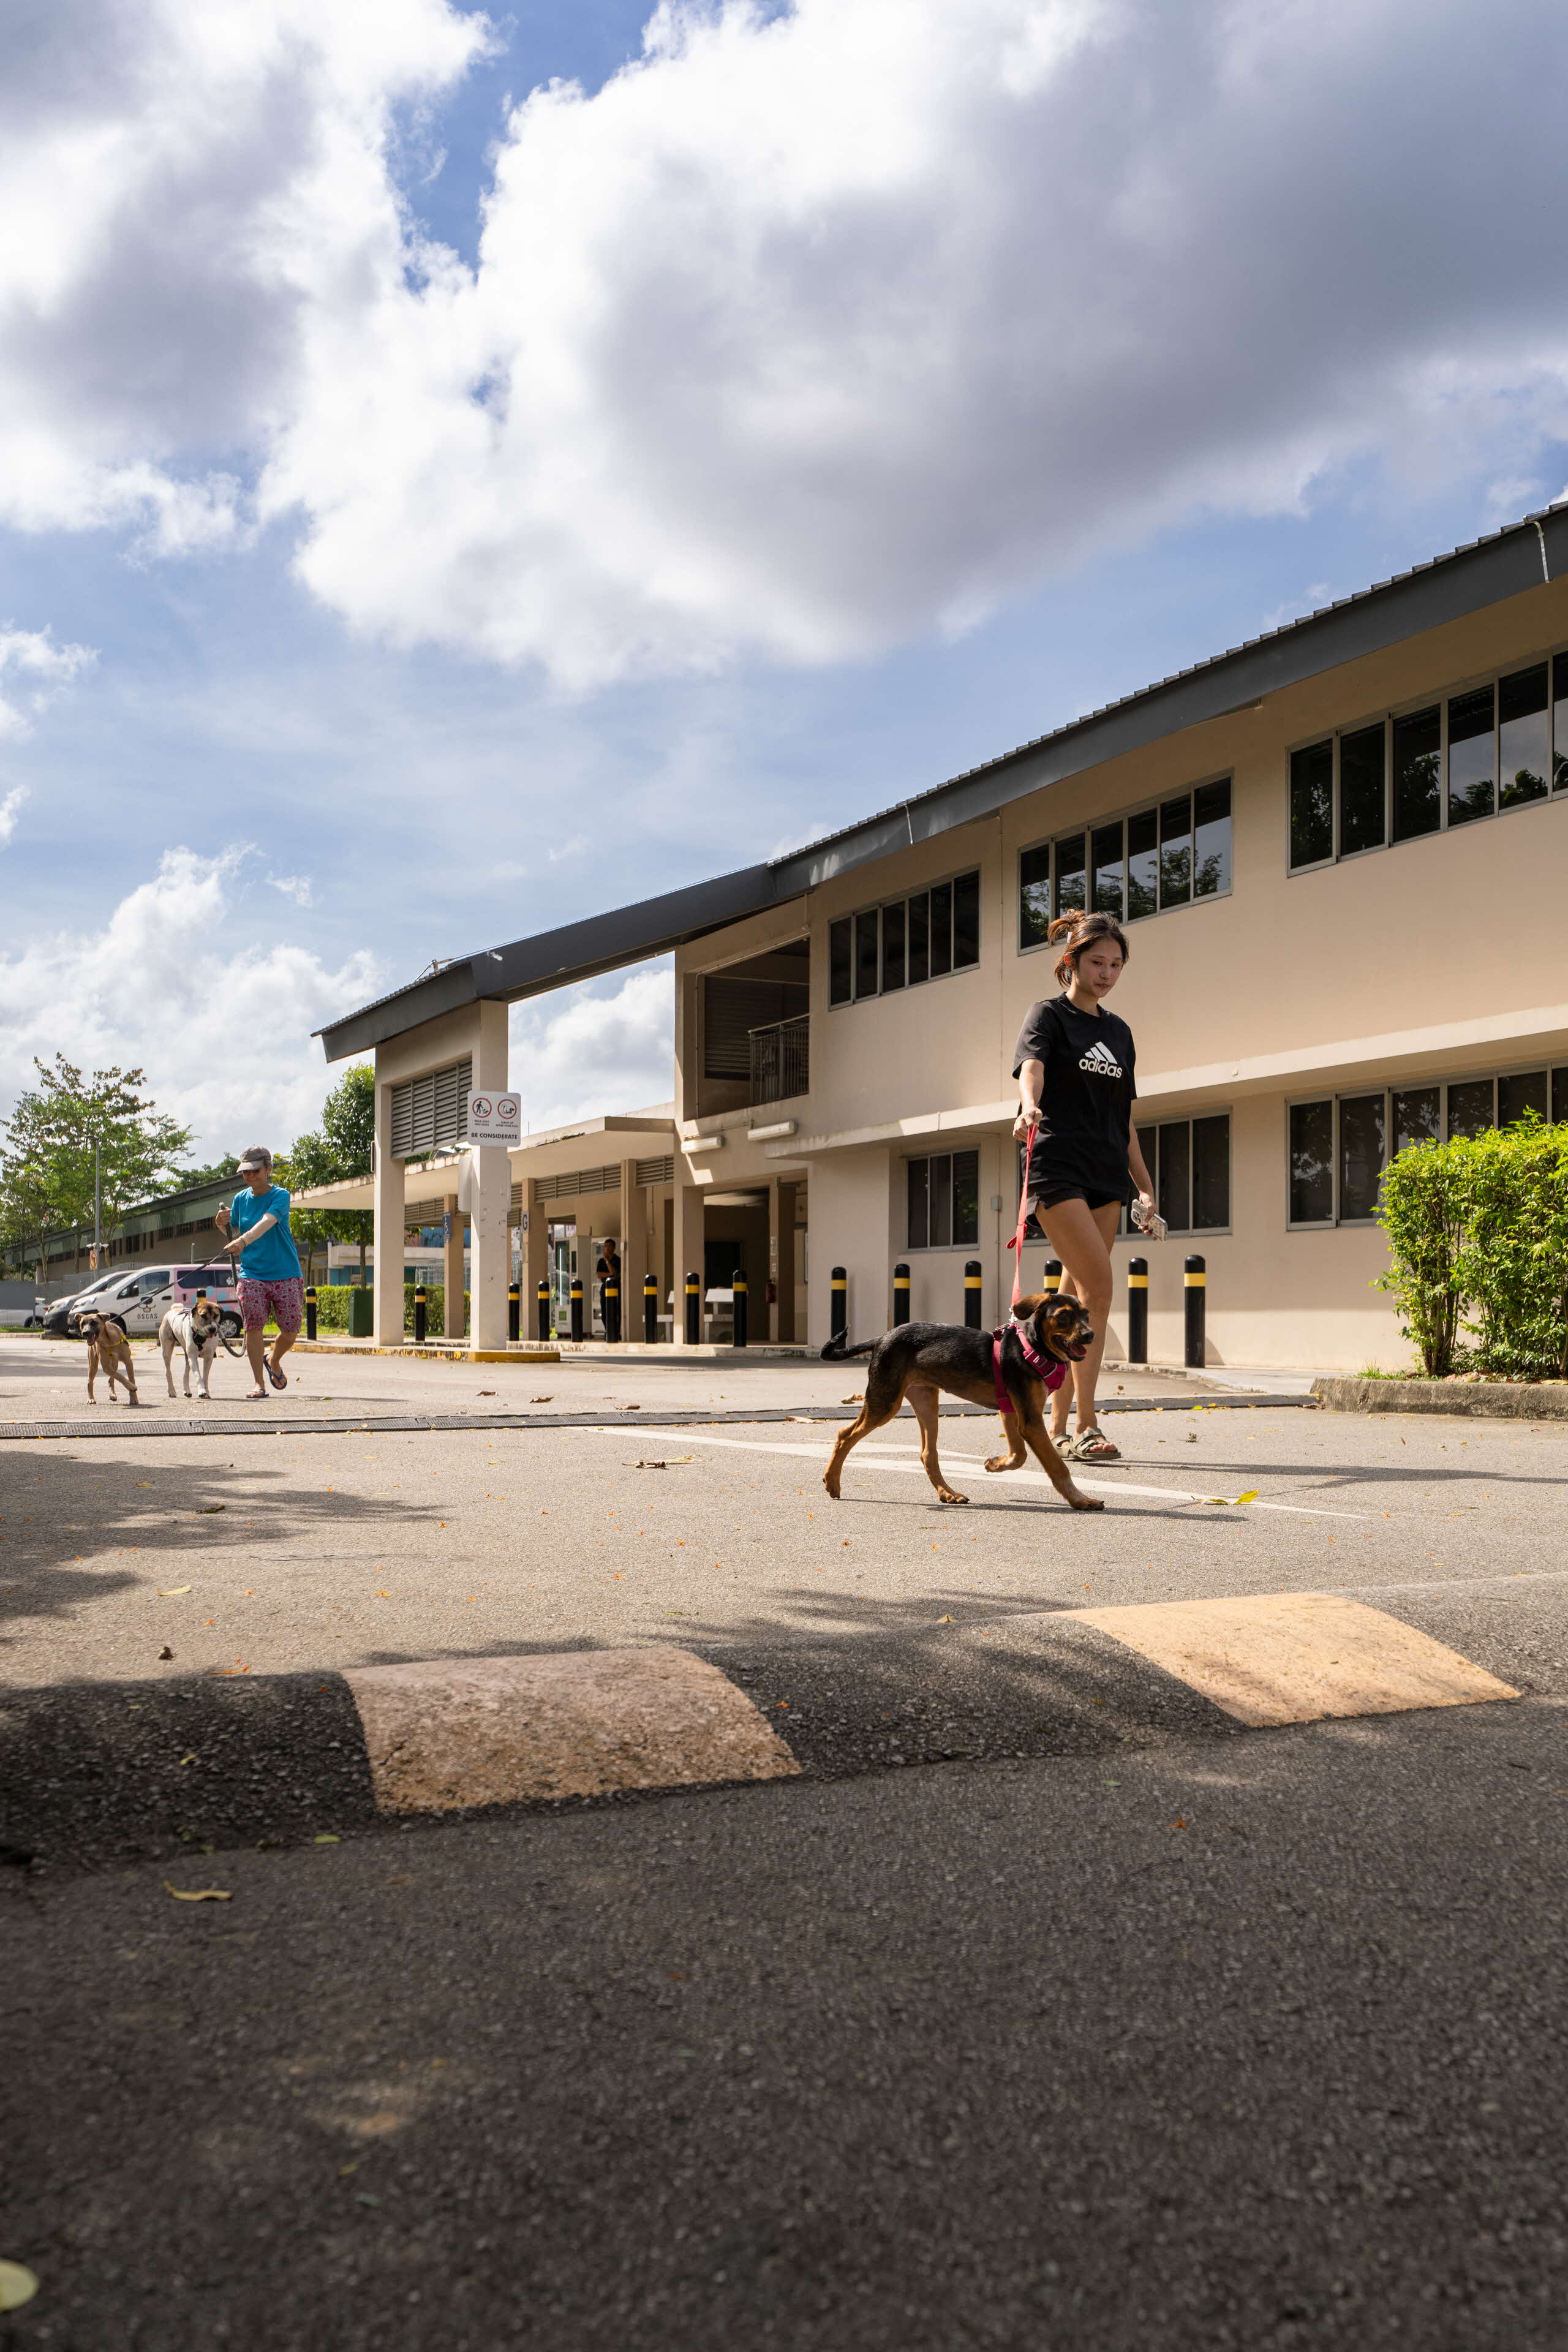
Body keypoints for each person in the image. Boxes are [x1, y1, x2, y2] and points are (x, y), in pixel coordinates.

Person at [1011, 910, 1156, 1464]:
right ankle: (1087, 1424)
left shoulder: (1119, 1033)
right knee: (1097, 1287)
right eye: (1097, 962)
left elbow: (1125, 1122)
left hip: (1105, 1175)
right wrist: (1029, 1108)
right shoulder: (1048, 1015)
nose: (1107, 973)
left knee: (1073, 1299)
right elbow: (1032, 1068)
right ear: (1071, 962)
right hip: (1057, 1165)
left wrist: (1144, 1187)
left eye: (1116, 964)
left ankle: (1049, 1418)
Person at [214, 1147, 304, 1401]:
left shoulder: (281, 1196)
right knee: (253, 1328)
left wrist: (242, 1240)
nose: (250, 1175)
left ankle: (273, 1359)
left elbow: (266, 1222)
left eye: (255, 1170)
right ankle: (258, 1383)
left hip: (286, 1272)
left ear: (268, 1170)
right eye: (246, 1171)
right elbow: (233, 1236)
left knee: (291, 1330)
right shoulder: (241, 1200)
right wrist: (221, 1225)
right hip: (252, 1274)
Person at [596, 1236, 622, 1343]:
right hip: (605, 1287)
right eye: (605, 1246)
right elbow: (599, 1274)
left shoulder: (618, 1260)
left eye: (609, 1246)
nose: (606, 1249)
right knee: (605, 1310)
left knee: (616, 1310)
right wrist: (609, 1274)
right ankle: (608, 1330)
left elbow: (615, 1273)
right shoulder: (600, 1261)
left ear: (614, 1248)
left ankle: (616, 1331)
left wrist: (608, 1262)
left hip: (616, 1287)